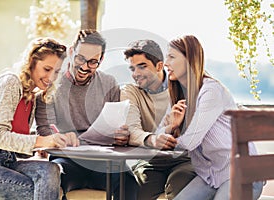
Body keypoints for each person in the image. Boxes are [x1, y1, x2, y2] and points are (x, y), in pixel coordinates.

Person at [35, 29, 138, 200]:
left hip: (102, 161)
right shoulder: (51, 84)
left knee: (128, 180)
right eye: (80, 58)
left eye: (92, 62)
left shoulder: (109, 83)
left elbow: (116, 125)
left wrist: (122, 137)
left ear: (101, 60)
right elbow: (45, 132)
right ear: (70, 52)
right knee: (53, 179)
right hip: (67, 160)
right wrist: (59, 138)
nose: (84, 67)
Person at [162, 35, 263, 200]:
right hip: (212, 175)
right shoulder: (180, 94)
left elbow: (190, 141)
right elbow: (162, 130)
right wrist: (171, 127)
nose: (166, 63)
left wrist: (167, 137)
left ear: (189, 59)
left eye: (172, 57)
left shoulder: (211, 91)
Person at [0, 38, 76, 200]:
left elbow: (17, 148)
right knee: (41, 192)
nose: (51, 78)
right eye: (47, 69)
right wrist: (40, 141)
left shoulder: (31, 96)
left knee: (52, 169)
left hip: (7, 163)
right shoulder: (10, 83)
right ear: (31, 63)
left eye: (56, 72)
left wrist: (46, 143)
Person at [120, 39, 196, 200]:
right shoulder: (130, 92)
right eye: (132, 68)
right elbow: (131, 130)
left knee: (180, 186)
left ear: (159, 66)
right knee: (136, 191)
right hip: (149, 162)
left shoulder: (183, 86)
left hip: (184, 159)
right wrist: (152, 139)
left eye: (142, 66)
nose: (135, 74)